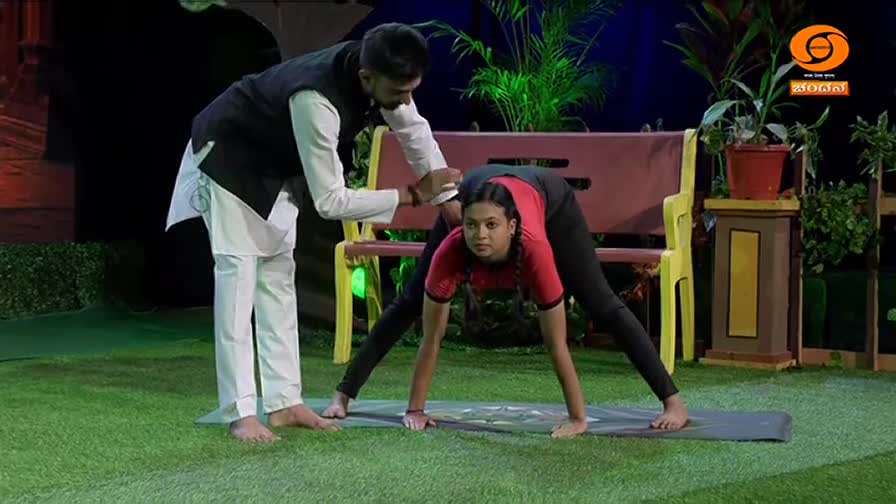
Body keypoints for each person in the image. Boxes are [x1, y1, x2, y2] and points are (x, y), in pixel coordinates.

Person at [165, 23, 462, 442]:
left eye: (411, 91)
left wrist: (448, 199)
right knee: (238, 280)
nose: (405, 101)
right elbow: (330, 202)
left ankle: (285, 403)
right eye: (399, 93)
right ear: (366, 77)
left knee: (277, 280)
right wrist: (412, 195)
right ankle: (240, 413)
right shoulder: (316, 99)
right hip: (229, 157)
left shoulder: (379, 69)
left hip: (275, 165)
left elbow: (414, 132)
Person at [325, 164, 688, 436]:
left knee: (601, 303)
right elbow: (431, 338)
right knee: (409, 301)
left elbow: (556, 343)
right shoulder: (454, 247)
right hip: (479, 189)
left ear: (511, 227)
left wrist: (578, 419)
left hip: (550, 199)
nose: (480, 236)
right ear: (464, 223)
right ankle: (343, 396)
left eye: (491, 227)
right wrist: (415, 410)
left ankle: (673, 402)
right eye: (472, 226)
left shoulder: (534, 248)